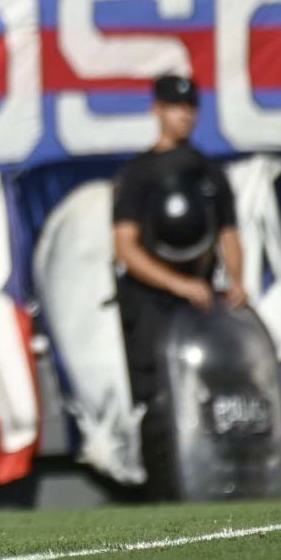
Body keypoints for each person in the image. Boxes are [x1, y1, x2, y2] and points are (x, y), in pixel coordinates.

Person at [111, 74, 246, 463]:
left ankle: (214, 475)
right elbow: (126, 248)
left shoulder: (209, 172)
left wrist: (236, 281)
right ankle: (164, 485)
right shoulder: (140, 174)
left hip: (201, 301)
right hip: (153, 302)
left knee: (209, 387)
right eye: (175, 107)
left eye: (190, 108)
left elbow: (229, 232)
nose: (184, 116)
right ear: (157, 110)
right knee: (159, 396)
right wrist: (177, 285)